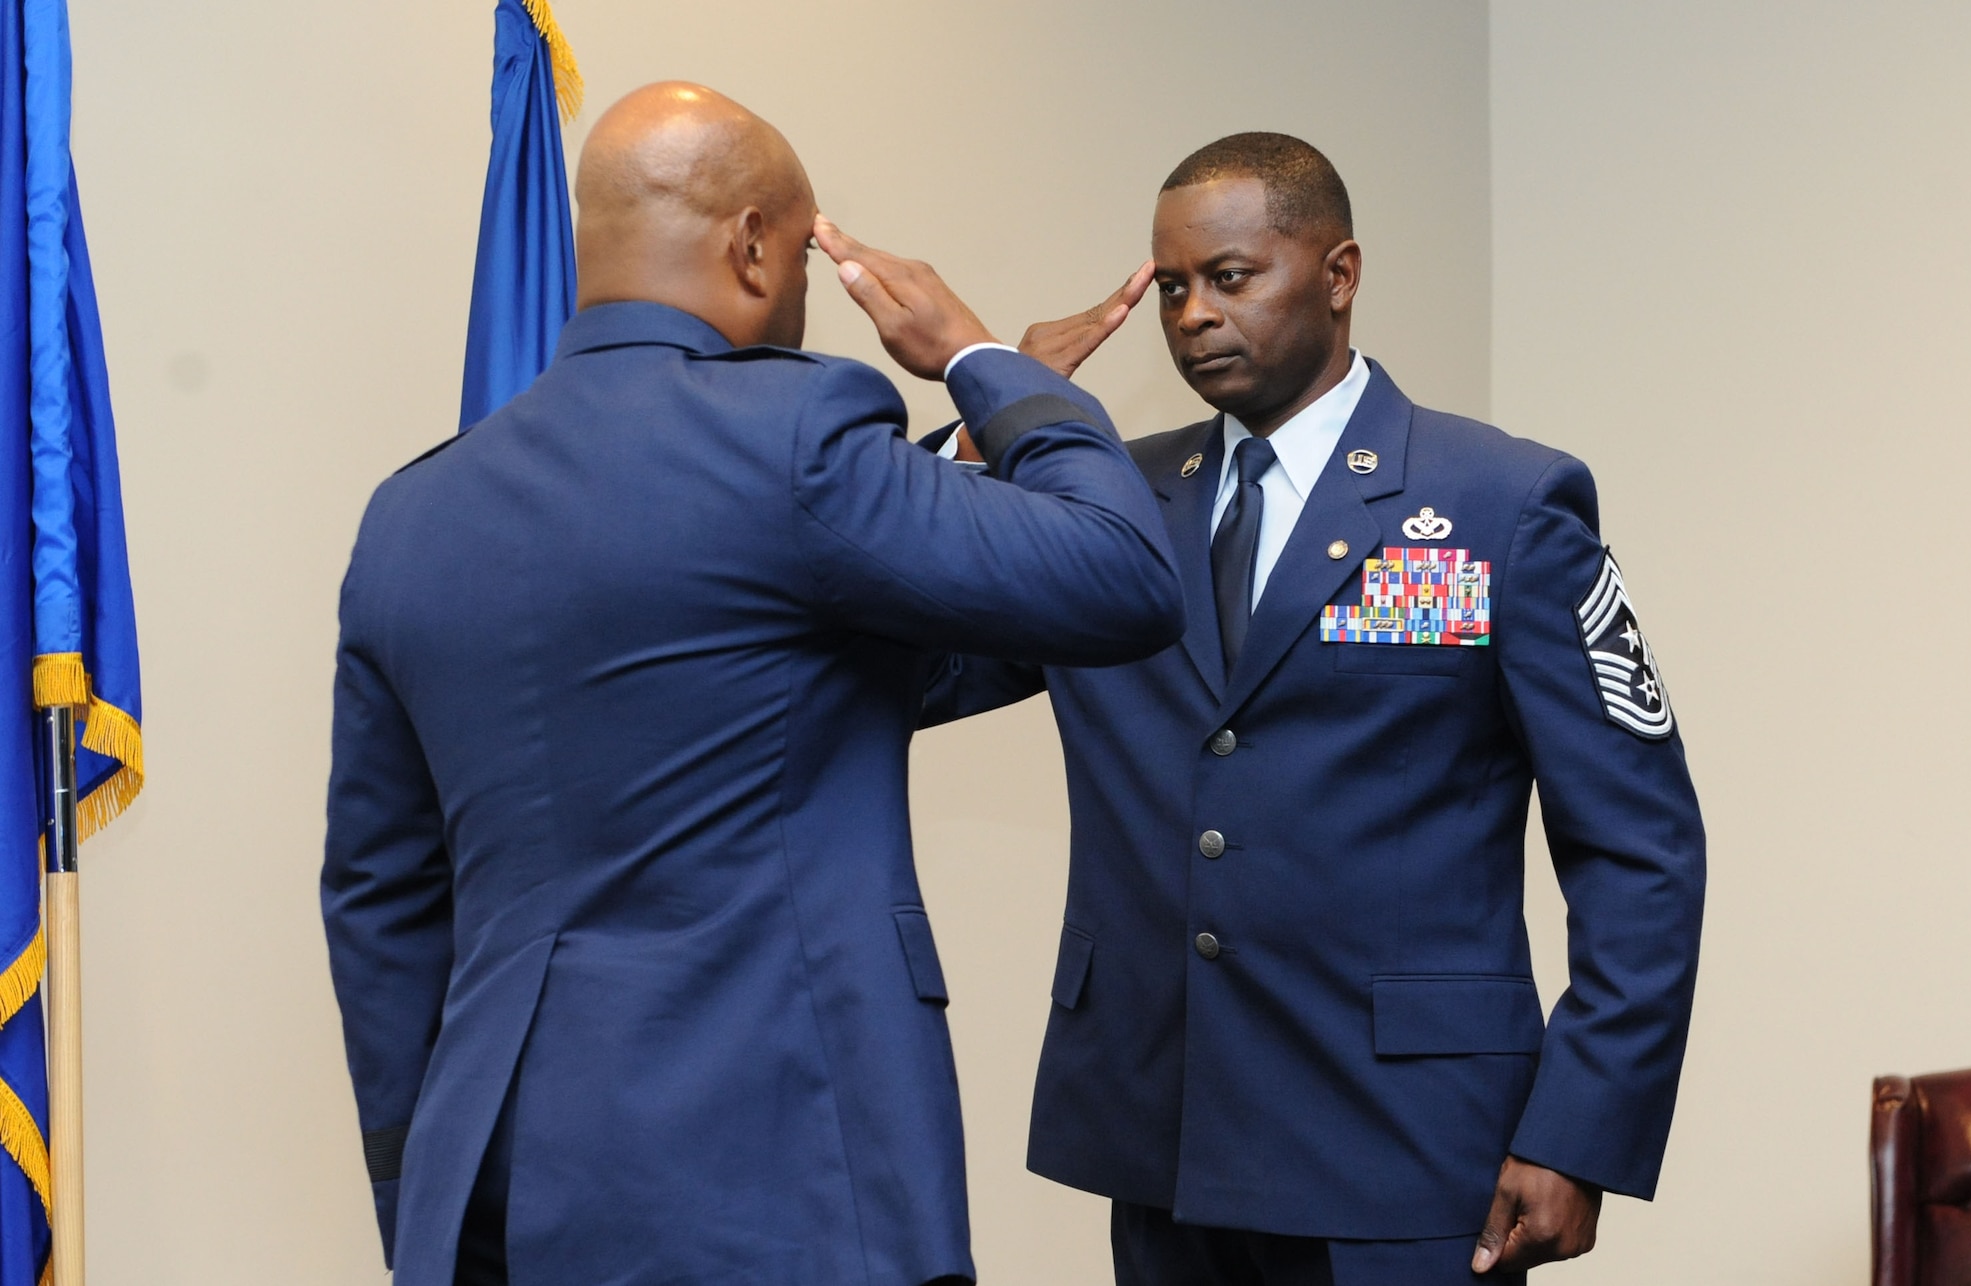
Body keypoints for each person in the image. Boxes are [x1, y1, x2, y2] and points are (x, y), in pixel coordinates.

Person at [320, 82, 1183, 1286]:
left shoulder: (410, 513)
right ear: (754, 243)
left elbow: (379, 902)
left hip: (499, 1193)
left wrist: (424, 1201)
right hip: (787, 1173)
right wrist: (987, 367)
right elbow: (1125, 575)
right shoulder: (796, 432)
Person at [926, 132, 1706, 1284]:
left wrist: (1576, 1126)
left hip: (1409, 1149)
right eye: (1175, 288)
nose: (1193, 314)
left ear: (1337, 274)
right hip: (1165, 1136)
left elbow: (1639, 844)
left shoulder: (1499, 502)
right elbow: (911, 658)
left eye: (1230, 277)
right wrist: (991, 425)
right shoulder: (1107, 504)